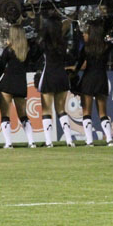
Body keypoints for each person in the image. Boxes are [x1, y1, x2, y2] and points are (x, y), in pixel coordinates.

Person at [0, 25, 38, 148]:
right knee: (23, 114)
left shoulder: (8, 50)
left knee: (5, 114)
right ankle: (31, 142)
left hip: (7, 84)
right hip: (21, 84)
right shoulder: (26, 51)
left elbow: (1, 68)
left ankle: (8, 143)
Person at [75, 19, 113, 146]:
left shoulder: (86, 49)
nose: (84, 34)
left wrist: (73, 73)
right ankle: (109, 139)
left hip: (88, 79)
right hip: (101, 79)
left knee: (87, 112)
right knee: (103, 112)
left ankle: (89, 141)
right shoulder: (106, 47)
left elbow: (79, 66)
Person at [37, 15, 73, 147]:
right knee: (61, 110)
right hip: (62, 76)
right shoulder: (63, 42)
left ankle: (49, 141)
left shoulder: (44, 42)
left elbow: (36, 54)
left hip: (49, 75)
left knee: (46, 110)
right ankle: (69, 140)